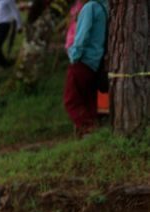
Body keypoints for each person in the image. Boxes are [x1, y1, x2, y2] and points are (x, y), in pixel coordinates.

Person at [64, 0, 107, 136]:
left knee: (71, 100)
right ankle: (93, 134)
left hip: (83, 61)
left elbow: (82, 36)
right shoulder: (105, 7)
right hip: (95, 62)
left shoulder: (90, 7)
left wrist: (74, 56)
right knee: (89, 101)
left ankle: (89, 129)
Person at [0, 0, 23, 78]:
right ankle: (4, 63)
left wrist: (19, 26)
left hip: (4, 25)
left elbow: (15, 12)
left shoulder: (8, 0)